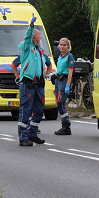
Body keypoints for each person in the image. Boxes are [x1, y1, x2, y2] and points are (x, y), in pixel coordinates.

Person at [14, 17, 56, 147]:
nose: (40, 37)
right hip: (28, 83)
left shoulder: (40, 51)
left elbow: (48, 65)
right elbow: (27, 37)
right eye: (38, 35)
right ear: (34, 36)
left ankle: (32, 133)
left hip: (38, 84)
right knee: (26, 109)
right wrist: (31, 26)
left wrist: (46, 74)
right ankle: (23, 136)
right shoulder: (27, 47)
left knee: (38, 109)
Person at [53, 37, 75, 136]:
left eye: (64, 45)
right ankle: (65, 124)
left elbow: (70, 72)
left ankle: (66, 126)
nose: (62, 47)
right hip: (58, 81)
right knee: (58, 103)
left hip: (64, 81)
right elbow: (59, 70)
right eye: (61, 45)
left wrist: (67, 85)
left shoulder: (69, 56)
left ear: (68, 46)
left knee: (61, 103)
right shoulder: (60, 56)